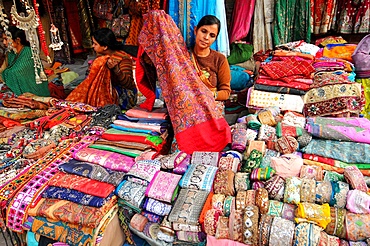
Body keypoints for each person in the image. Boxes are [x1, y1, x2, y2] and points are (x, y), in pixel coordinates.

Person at [66, 28, 137, 108]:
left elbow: (128, 84)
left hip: (126, 95)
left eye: (95, 44)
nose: (93, 46)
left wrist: (116, 69)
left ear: (105, 47)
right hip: (109, 90)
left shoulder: (123, 58)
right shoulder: (101, 58)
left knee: (98, 95)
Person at [190, 15, 231, 107]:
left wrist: (211, 95)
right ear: (196, 30)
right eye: (204, 31)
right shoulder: (184, 56)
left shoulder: (220, 59)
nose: (206, 37)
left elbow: (226, 92)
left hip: (210, 106)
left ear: (215, 39)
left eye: (212, 35)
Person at [1, 26, 50, 97]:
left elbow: (16, 72)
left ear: (18, 40)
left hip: (35, 92)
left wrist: (5, 74)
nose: (4, 42)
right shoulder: (11, 53)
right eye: (3, 39)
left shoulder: (29, 52)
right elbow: (3, 70)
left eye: (6, 39)